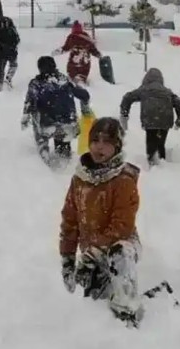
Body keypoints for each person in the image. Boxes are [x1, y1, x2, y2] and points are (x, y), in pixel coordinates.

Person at [59, 117, 145, 328]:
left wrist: (93, 254)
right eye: (95, 140)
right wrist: (68, 259)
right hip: (90, 255)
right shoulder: (79, 179)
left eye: (107, 142)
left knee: (120, 253)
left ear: (116, 147)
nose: (99, 146)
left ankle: (129, 310)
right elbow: (70, 220)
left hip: (121, 247)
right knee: (95, 308)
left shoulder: (123, 180)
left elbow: (122, 226)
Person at [21, 56, 91, 167]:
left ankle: (43, 152)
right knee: (63, 137)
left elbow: (30, 103)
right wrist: (85, 108)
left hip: (47, 125)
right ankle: (64, 158)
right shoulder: (64, 80)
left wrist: (25, 118)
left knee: (36, 116)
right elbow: (84, 95)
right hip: (69, 123)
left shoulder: (36, 83)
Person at [119, 68, 180, 166]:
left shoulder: (144, 89)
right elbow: (179, 102)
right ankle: (161, 160)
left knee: (151, 141)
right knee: (161, 142)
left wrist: (124, 114)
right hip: (165, 119)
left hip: (150, 119)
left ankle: (153, 163)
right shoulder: (167, 91)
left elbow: (127, 97)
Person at [0, 16, 20, 91]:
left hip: (0, 53)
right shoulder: (12, 30)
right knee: (13, 65)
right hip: (11, 52)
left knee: (0, 68)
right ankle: (8, 78)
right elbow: (17, 40)